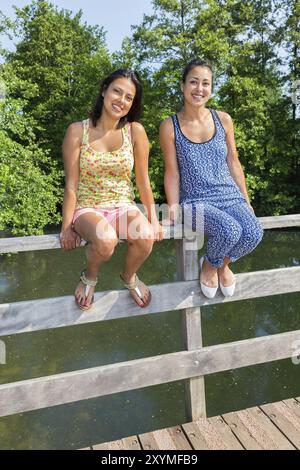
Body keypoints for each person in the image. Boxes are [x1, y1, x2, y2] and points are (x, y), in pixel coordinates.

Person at [60, 69, 163, 310]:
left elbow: (143, 180)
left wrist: (153, 219)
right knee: (106, 240)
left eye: (129, 97)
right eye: (117, 91)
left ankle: (129, 276)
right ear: (104, 90)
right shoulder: (77, 131)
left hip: (123, 206)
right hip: (87, 208)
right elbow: (71, 184)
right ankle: (90, 276)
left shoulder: (134, 131)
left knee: (145, 236)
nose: (122, 100)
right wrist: (66, 228)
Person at [160, 59, 263, 299]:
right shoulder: (169, 126)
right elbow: (172, 172)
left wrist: (245, 198)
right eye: (193, 82)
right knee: (228, 230)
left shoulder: (223, 119)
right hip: (194, 202)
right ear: (183, 85)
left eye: (205, 83)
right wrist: (173, 210)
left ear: (211, 88)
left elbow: (233, 161)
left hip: (229, 195)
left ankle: (221, 264)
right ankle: (209, 264)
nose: (199, 88)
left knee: (253, 232)